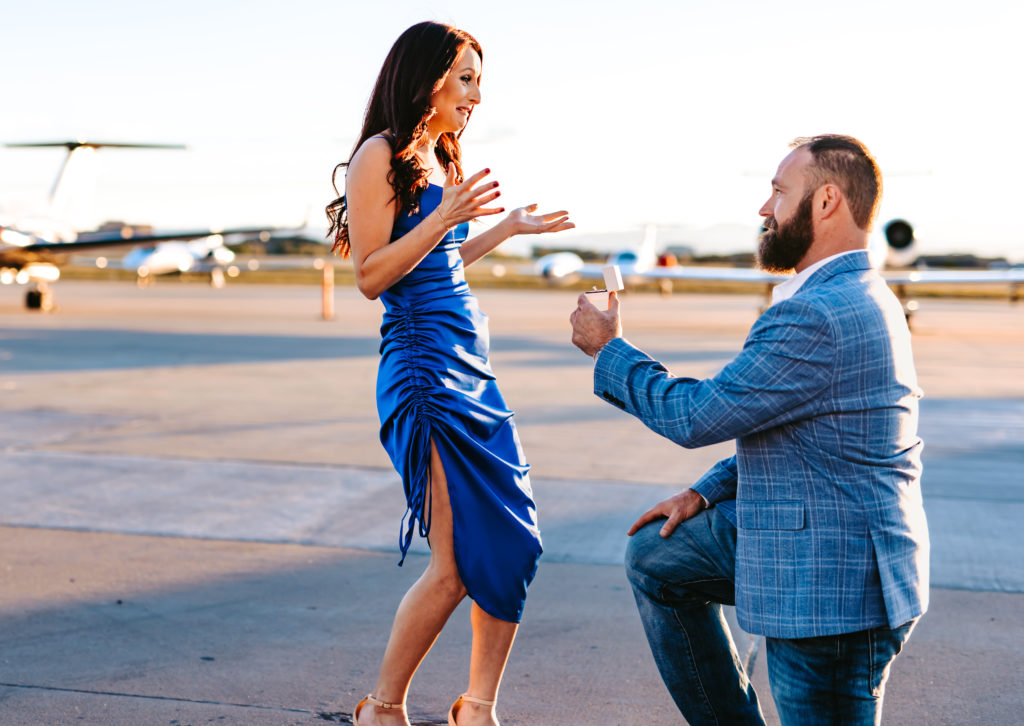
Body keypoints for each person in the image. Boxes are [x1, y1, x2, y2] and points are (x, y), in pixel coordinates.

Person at [569, 135, 929, 725]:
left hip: (833, 586)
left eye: (779, 192)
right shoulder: (853, 295)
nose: (766, 209)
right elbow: (806, 435)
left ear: (827, 201)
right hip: (822, 524)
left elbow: (696, 415)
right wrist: (705, 491)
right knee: (658, 557)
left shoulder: (818, 312)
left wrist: (609, 351)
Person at [327, 21, 574, 726]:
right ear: (426, 78)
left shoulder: (443, 157)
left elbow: (438, 264)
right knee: (454, 561)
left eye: (478, 84)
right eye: (465, 80)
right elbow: (374, 276)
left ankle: (477, 706)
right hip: (425, 370)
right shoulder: (380, 156)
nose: (475, 97)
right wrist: (448, 219)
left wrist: (502, 229)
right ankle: (383, 706)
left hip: (472, 365)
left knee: (516, 539)